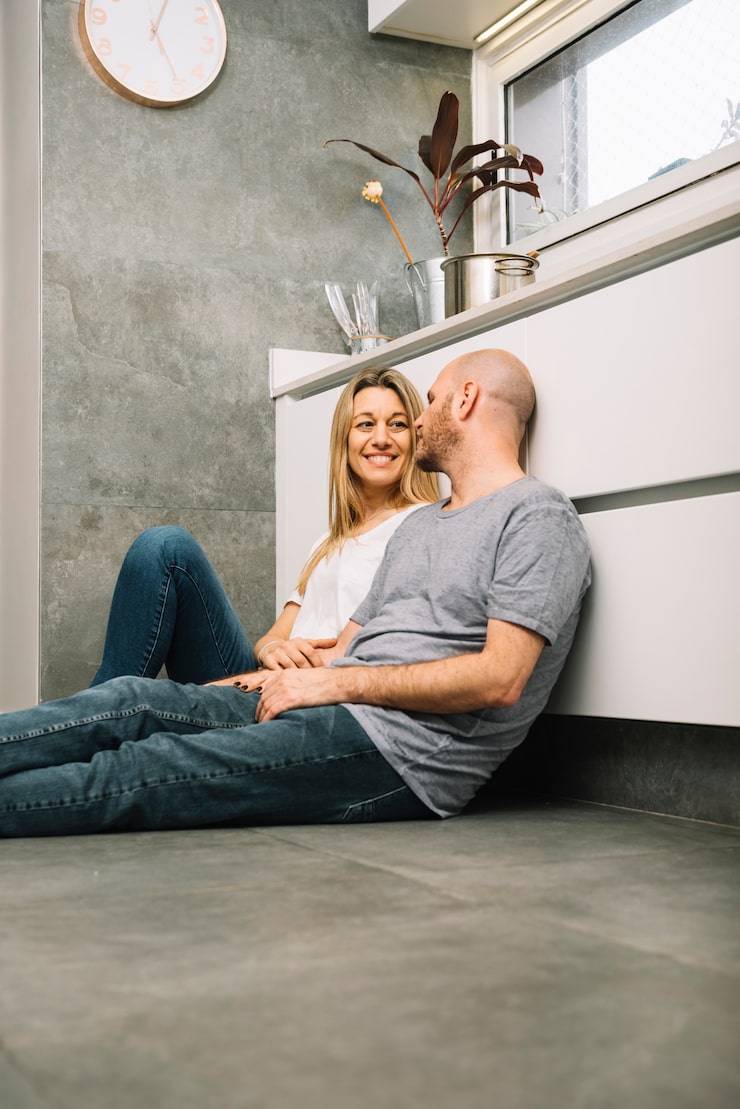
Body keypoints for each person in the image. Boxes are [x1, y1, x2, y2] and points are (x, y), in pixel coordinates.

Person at [0, 349, 592, 838]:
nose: (418, 420)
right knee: (134, 701)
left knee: (148, 768)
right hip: (332, 706)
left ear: (465, 400)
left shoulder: (538, 515)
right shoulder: (420, 527)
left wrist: (333, 684)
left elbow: (500, 679)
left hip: (398, 753)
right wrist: (231, 687)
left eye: (431, 401)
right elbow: (342, 653)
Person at [90, 366, 439, 686]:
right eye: (365, 424)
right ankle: (99, 707)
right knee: (163, 547)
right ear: (344, 441)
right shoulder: (328, 542)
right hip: (263, 681)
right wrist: (274, 650)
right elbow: (272, 637)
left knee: (168, 548)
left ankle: (97, 713)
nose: (382, 438)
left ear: (415, 437)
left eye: (398, 424)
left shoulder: (422, 526)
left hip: (315, 693)